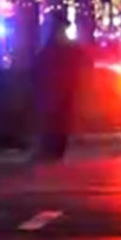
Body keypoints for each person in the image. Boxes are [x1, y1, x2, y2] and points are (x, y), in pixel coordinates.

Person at [32, 11, 90, 160]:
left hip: (57, 91)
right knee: (56, 122)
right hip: (58, 91)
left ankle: (52, 151)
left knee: (55, 122)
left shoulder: (54, 47)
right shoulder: (64, 47)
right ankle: (53, 151)